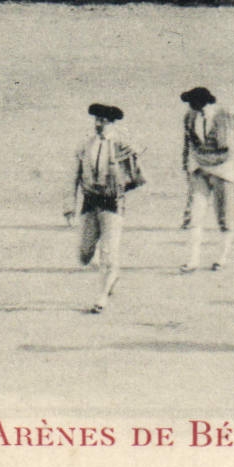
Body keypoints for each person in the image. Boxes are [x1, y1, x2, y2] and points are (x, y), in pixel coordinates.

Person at [66, 103, 144, 313]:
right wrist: (69, 206)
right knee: (84, 255)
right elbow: (74, 176)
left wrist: (125, 177)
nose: (99, 124)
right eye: (97, 120)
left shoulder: (121, 145)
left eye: (104, 121)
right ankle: (112, 274)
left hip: (112, 203)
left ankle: (102, 296)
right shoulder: (85, 145)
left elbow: (137, 175)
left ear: (112, 124)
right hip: (90, 201)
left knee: (108, 253)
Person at [179, 86, 234, 272]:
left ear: (202, 102)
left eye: (193, 103)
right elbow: (187, 143)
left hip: (222, 170)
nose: (191, 106)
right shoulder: (190, 117)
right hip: (199, 169)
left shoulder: (223, 116)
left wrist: (226, 158)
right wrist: (186, 166)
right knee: (195, 214)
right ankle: (193, 260)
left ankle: (221, 258)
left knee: (224, 216)